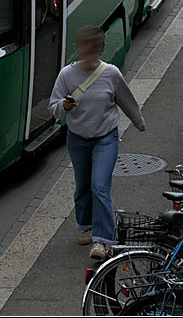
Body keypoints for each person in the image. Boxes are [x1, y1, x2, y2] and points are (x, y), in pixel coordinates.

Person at [49, 25, 145, 261]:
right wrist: (64, 106)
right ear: (79, 48)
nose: (90, 53)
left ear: (100, 49)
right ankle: (86, 225)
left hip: (106, 137)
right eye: (86, 48)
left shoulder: (111, 73)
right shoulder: (66, 75)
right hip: (78, 139)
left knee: (99, 186)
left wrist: (139, 122)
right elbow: (54, 109)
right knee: (83, 185)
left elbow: (126, 100)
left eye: (95, 49)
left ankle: (103, 239)